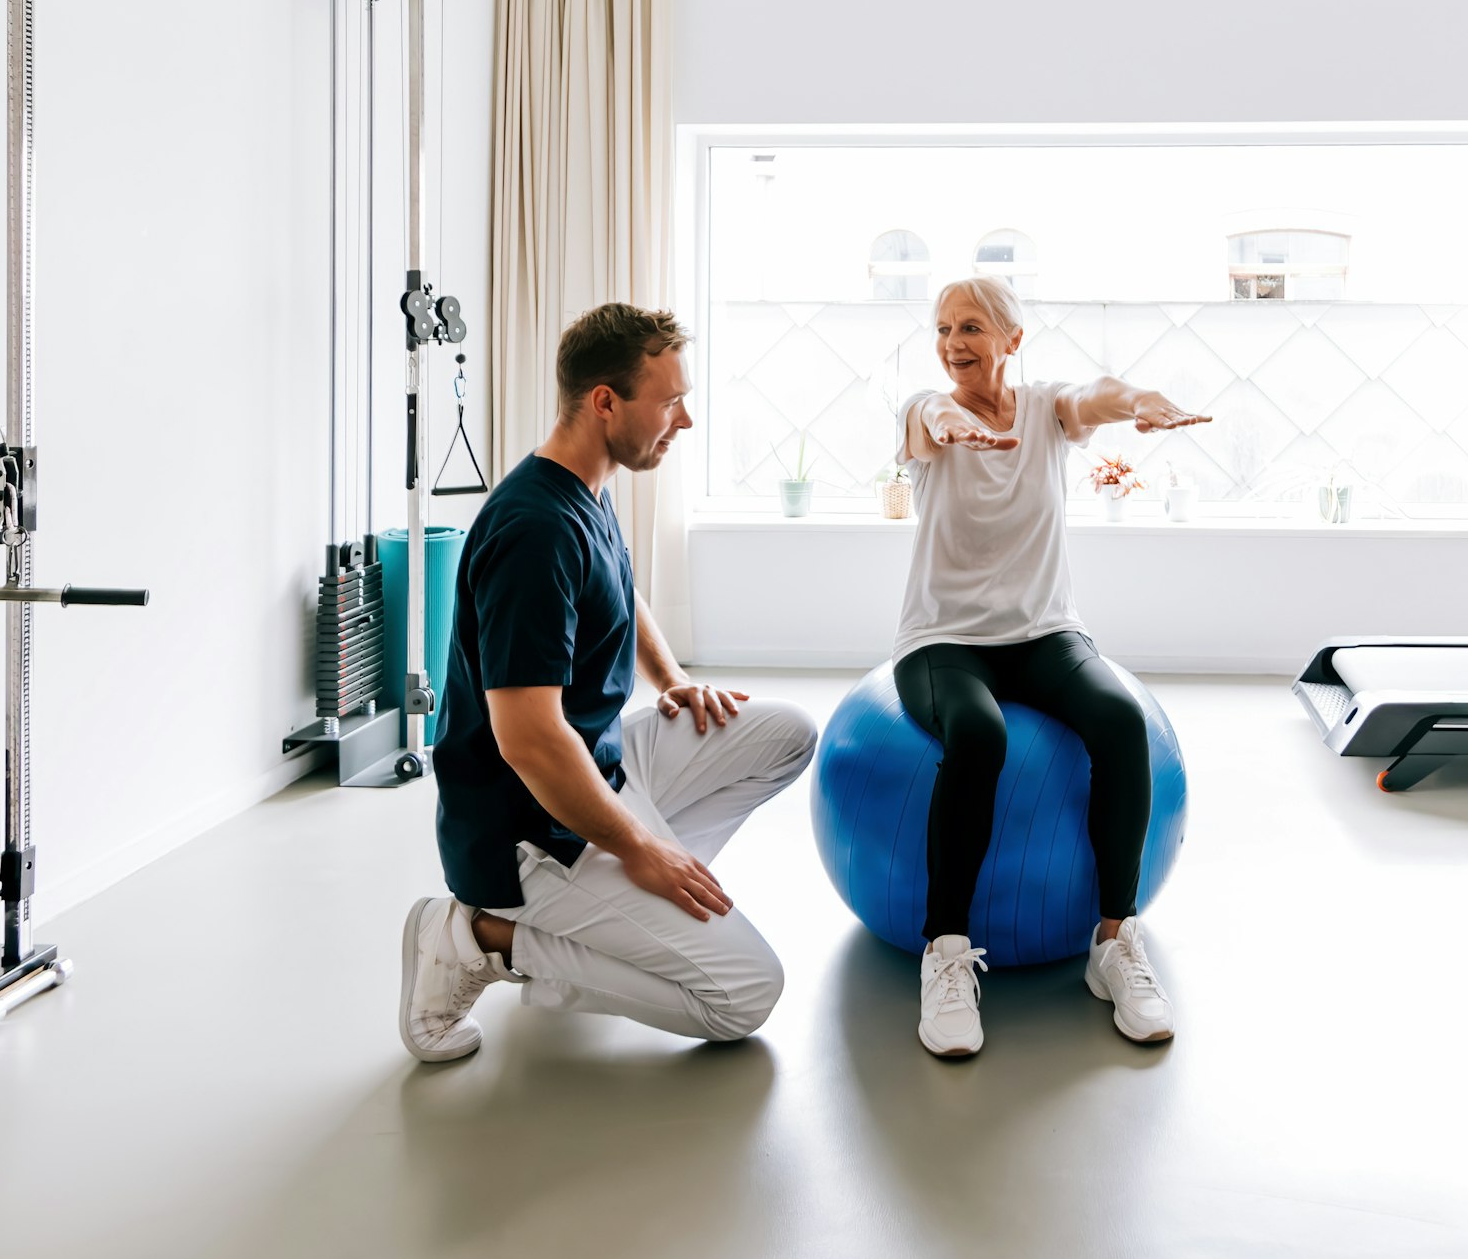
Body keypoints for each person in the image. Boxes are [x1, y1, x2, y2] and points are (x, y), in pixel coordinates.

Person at [397, 302, 818, 1062]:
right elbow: (527, 737)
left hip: (597, 765)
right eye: (670, 401)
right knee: (744, 996)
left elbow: (619, 588)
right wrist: (637, 849)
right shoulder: (534, 533)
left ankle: (619, 914)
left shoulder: (587, 482)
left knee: (786, 732)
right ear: (605, 402)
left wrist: (673, 678)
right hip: (528, 831)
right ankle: (480, 937)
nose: (683, 420)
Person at [893, 275, 1209, 1058]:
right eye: (941, 329)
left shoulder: (1041, 410)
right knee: (977, 734)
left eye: (970, 327)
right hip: (943, 640)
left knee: (1119, 716)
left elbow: (1091, 396)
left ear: (1012, 340)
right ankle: (945, 951)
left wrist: (1138, 399)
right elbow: (929, 419)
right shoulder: (924, 413)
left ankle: (1114, 939)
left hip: (1043, 633)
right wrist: (954, 428)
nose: (952, 344)